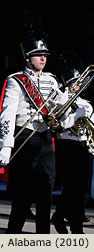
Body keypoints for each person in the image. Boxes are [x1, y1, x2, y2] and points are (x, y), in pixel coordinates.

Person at [0, 38, 88, 233]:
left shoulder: (51, 80)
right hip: (24, 137)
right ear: (28, 58)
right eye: (39, 55)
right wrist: (6, 145)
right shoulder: (16, 80)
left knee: (46, 194)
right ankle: (12, 236)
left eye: (45, 55)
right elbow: (7, 114)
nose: (43, 58)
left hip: (45, 139)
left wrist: (74, 104)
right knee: (22, 196)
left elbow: (62, 104)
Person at [52, 67, 94, 234]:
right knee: (72, 187)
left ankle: (61, 216)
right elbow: (60, 126)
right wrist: (76, 115)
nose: (77, 85)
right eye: (73, 83)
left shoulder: (86, 103)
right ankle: (73, 226)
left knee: (81, 189)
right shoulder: (61, 101)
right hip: (68, 145)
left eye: (79, 83)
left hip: (85, 146)